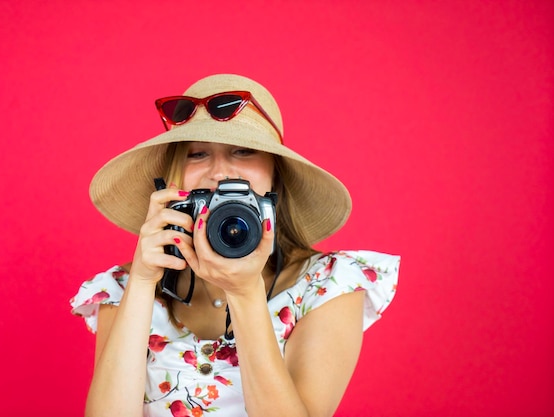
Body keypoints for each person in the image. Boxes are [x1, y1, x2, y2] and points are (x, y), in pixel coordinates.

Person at [70, 73, 400, 417]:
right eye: (197, 154)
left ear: (276, 174)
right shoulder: (124, 288)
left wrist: (245, 294)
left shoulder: (327, 284)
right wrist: (141, 282)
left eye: (243, 151)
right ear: (173, 179)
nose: (220, 173)